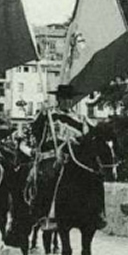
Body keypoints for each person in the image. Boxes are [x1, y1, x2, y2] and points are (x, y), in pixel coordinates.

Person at [29, 84, 107, 231]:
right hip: (53, 156)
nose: (68, 102)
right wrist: (42, 116)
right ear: (58, 99)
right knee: (49, 178)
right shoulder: (49, 114)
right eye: (64, 99)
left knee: (95, 177)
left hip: (75, 157)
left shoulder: (80, 118)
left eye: (70, 99)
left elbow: (89, 136)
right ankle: (43, 213)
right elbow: (35, 131)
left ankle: (98, 213)